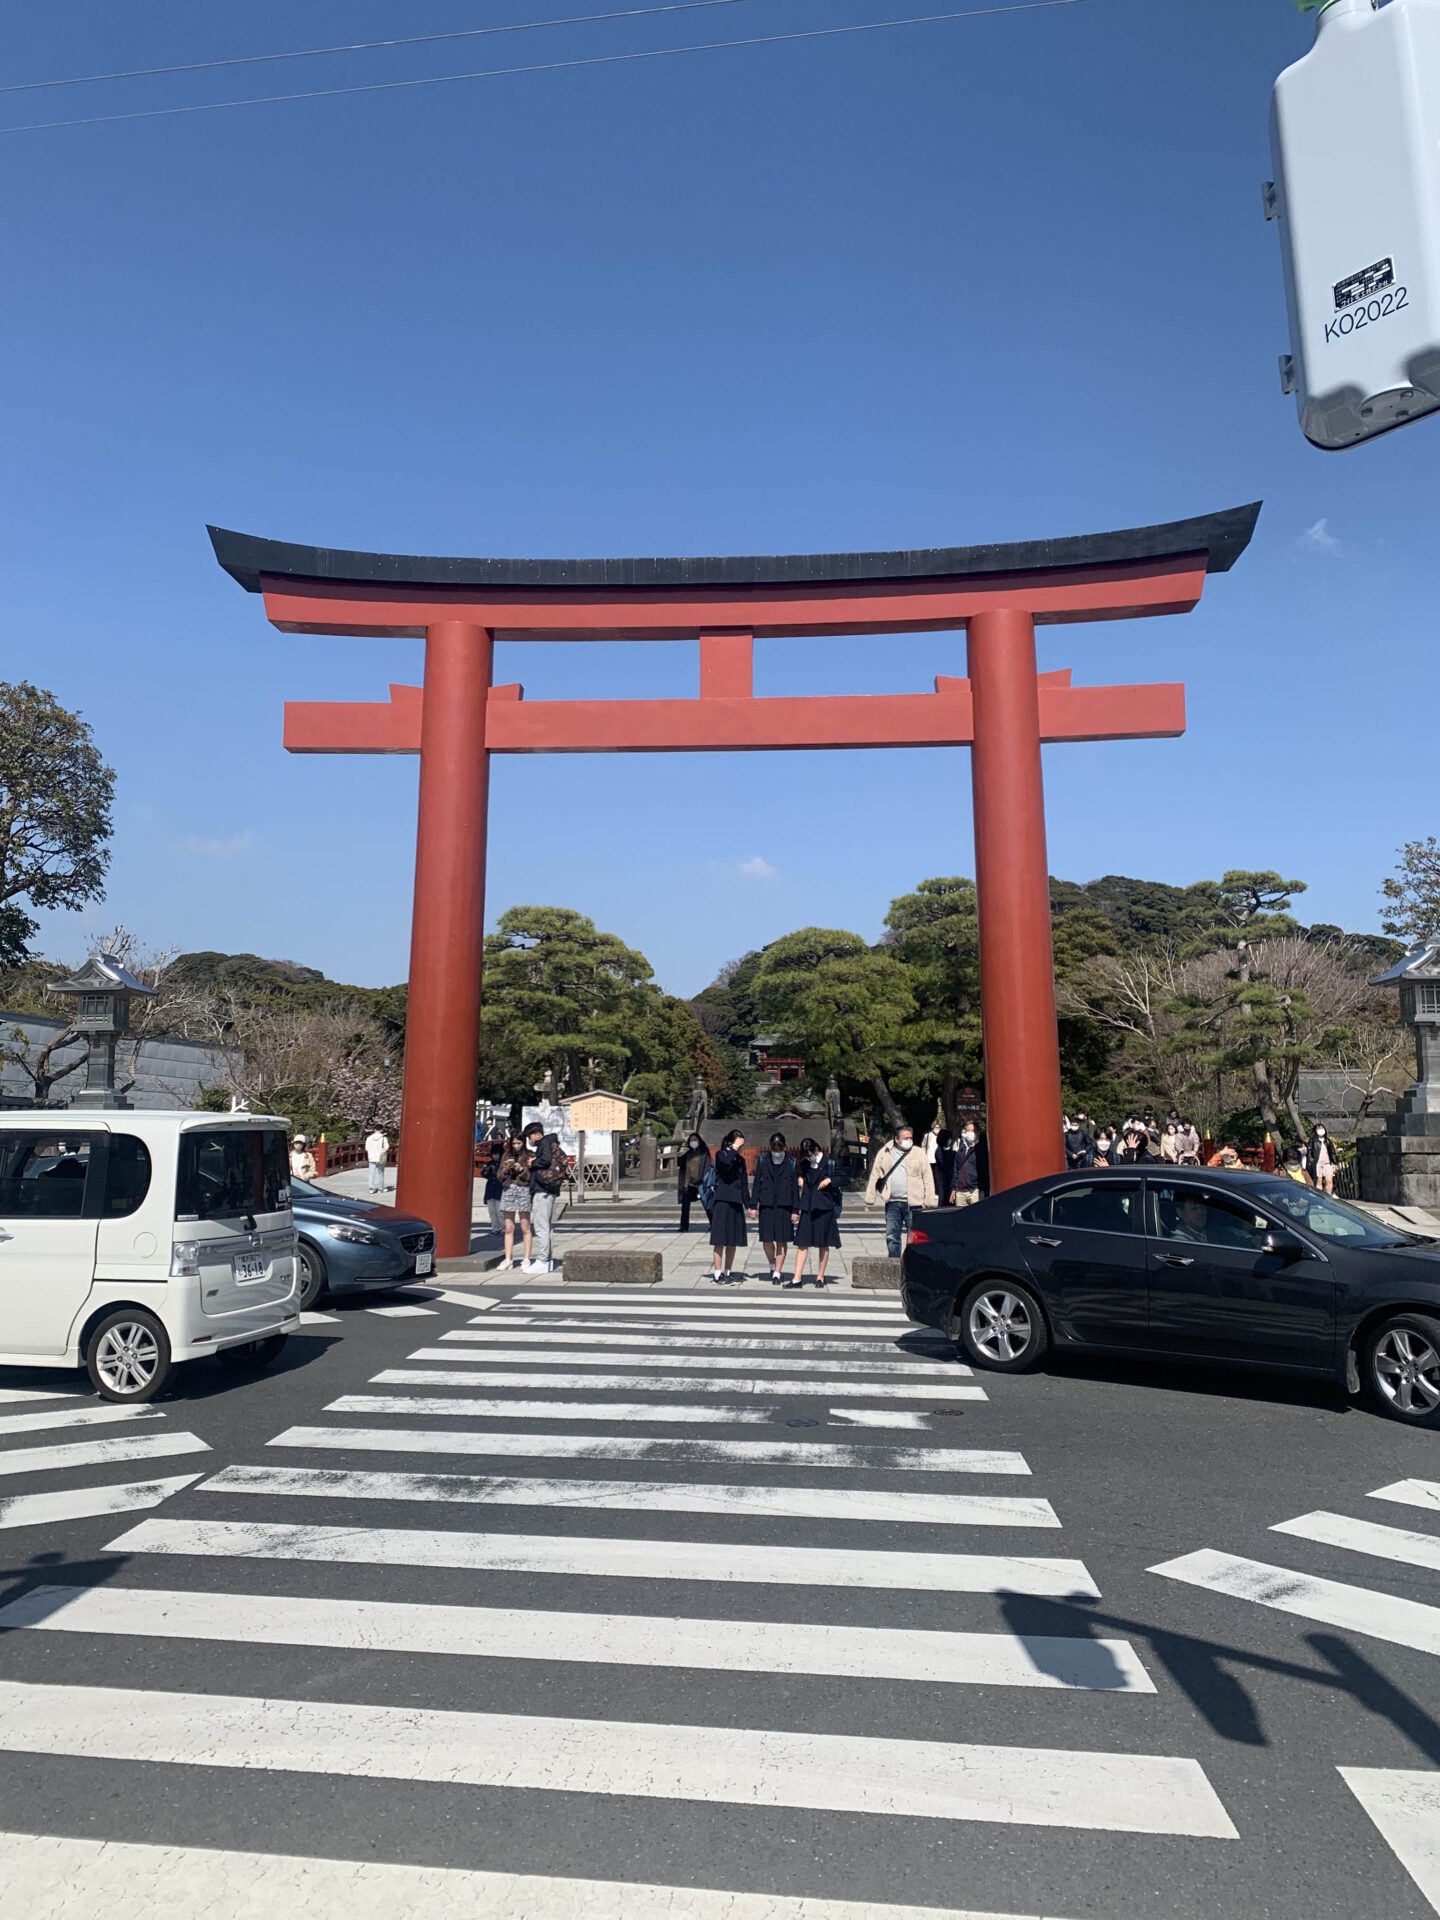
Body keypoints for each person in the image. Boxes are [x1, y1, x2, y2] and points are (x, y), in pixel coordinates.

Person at [865, 1122, 936, 1257]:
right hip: (892, 1202)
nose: (909, 1140)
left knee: (916, 1237)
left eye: (910, 1138)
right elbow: (875, 1174)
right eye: (906, 1138)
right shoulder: (885, 1152)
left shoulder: (918, 1153)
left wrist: (929, 1199)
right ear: (897, 1139)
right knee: (892, 1236)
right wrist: (870, 1196)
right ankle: (894, 1262)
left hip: (913, 1203)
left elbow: (927, 1176)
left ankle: (914, 1262)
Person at [792, 1135, 842, 1287]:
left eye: (810, 1153)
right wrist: (800, 1178)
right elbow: (798, 1175)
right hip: (807, 1207)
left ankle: (820, 1276)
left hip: (824, 1207)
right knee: (802, 1243)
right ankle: (797, 1278)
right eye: (806, 1155)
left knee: (823, 1243)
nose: (809, 1157)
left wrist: (829, 1180)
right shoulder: (804, 1164)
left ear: (816, 1149)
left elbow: (844, 1178)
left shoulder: (829, 1163)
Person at [752, 1133, 799, 1282]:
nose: (777, 1149)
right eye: (774, 1146)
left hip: (784, 1205)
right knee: (766, 1240)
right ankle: (772, 1264)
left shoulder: (791, 1161)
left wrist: (795, 1210)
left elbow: (794, 1187)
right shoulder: (763, 1159)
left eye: (780, 1146)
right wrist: (753, 1205)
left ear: (784, 1146)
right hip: (766, 1204)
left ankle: (777, 1272)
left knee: (781, 1240)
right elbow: (757, 1184)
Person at [524, 1119, 568, 1275]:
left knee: (541, 1226)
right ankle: (547, 1259)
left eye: (529, 1136)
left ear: (537, 1134)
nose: (529, 1140)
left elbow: (545, 1161)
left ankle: (543, 1260)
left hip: (542, 1189)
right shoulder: (551, 1143)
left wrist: (533, 1162)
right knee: (546, 1226)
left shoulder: (544, 1143)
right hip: (549, 1189)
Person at [709, 1129, 750, 1282]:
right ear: (729, 1142)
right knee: (720, 1238)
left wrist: (749, 1204)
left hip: (736, 1200)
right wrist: (733, 1148)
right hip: (723, 1199)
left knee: (733, 1239)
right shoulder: (721, 1155)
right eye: (737, 1142)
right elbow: (725, 1164)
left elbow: (744, 1182)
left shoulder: (740, 1160)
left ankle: (728, 1271)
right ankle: (717, 1272)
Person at [496, 1134, 534, 1272]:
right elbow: (499, 1176)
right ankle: (508, 1259)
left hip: (523, 1189)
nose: (516, 1145)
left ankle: (526, 1258)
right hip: (508, 1189)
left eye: (519, 1143)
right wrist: (506, 1169)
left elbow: (531, 1177)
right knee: (509, 1227)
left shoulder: (530, 1155)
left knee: (525, 1227)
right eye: (514, 1143)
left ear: (523, 1142)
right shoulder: (506, 1155)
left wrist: (522, 1169)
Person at [676, 1131, 711, 1235]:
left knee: (707, 1205)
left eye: (695, 1140)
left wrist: (705, 1181)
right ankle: (683, 1226)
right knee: (685, 1206)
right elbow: (683, 1169)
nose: (693, 1142)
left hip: (701, 1183)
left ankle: (713, 1224)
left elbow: (707, 1167)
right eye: (691, 1140)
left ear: (699, 1141)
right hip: (689, 1183)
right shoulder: (687, 1154)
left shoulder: (704, 1153)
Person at [952, 1122, 989, 1205]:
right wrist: (954, 1188)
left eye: (973, 1131)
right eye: (968, 1131)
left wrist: (981, 1188)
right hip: (960, 1191)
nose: (970, 1133)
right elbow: (956, 1169)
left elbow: (985, 1171)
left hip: (974, 1190)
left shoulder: (982, 1149)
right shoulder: (961, 1149)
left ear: (978, 1133)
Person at [1308, 1122, 1338, 1195]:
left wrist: (1335, 1163)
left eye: (1322, 1128)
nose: (1321, 1130)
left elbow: (1332, 1152)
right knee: (1319, 1181)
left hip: (1327, 1163)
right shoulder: (1313, 1141)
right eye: (1319, 1128)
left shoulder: (1328, 1141)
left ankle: (1328, 1196)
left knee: (1329, 1181)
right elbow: (1309, 1152)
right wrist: (1311, 1162)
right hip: (1317, 1163)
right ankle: (1320, 1197)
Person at [932, 1129, 958, 1205]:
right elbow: (944, 1164)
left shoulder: (950, 1151)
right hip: (943, 1180)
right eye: (949, 1138)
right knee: (944, 1198)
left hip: (950, 1179)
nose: (950, 1140)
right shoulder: (939, 1151)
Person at [364, 1126, 389, 1195]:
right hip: (380, 1157)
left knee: (371, 1174)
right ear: (381, 1130)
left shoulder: (369, 1138)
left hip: (372, 1157)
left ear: (374, 1129)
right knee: (381, 1174)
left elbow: (366, 1148)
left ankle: (371, 1188)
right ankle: (380, 1188)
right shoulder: (383, 1138)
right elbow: (386, 1147)